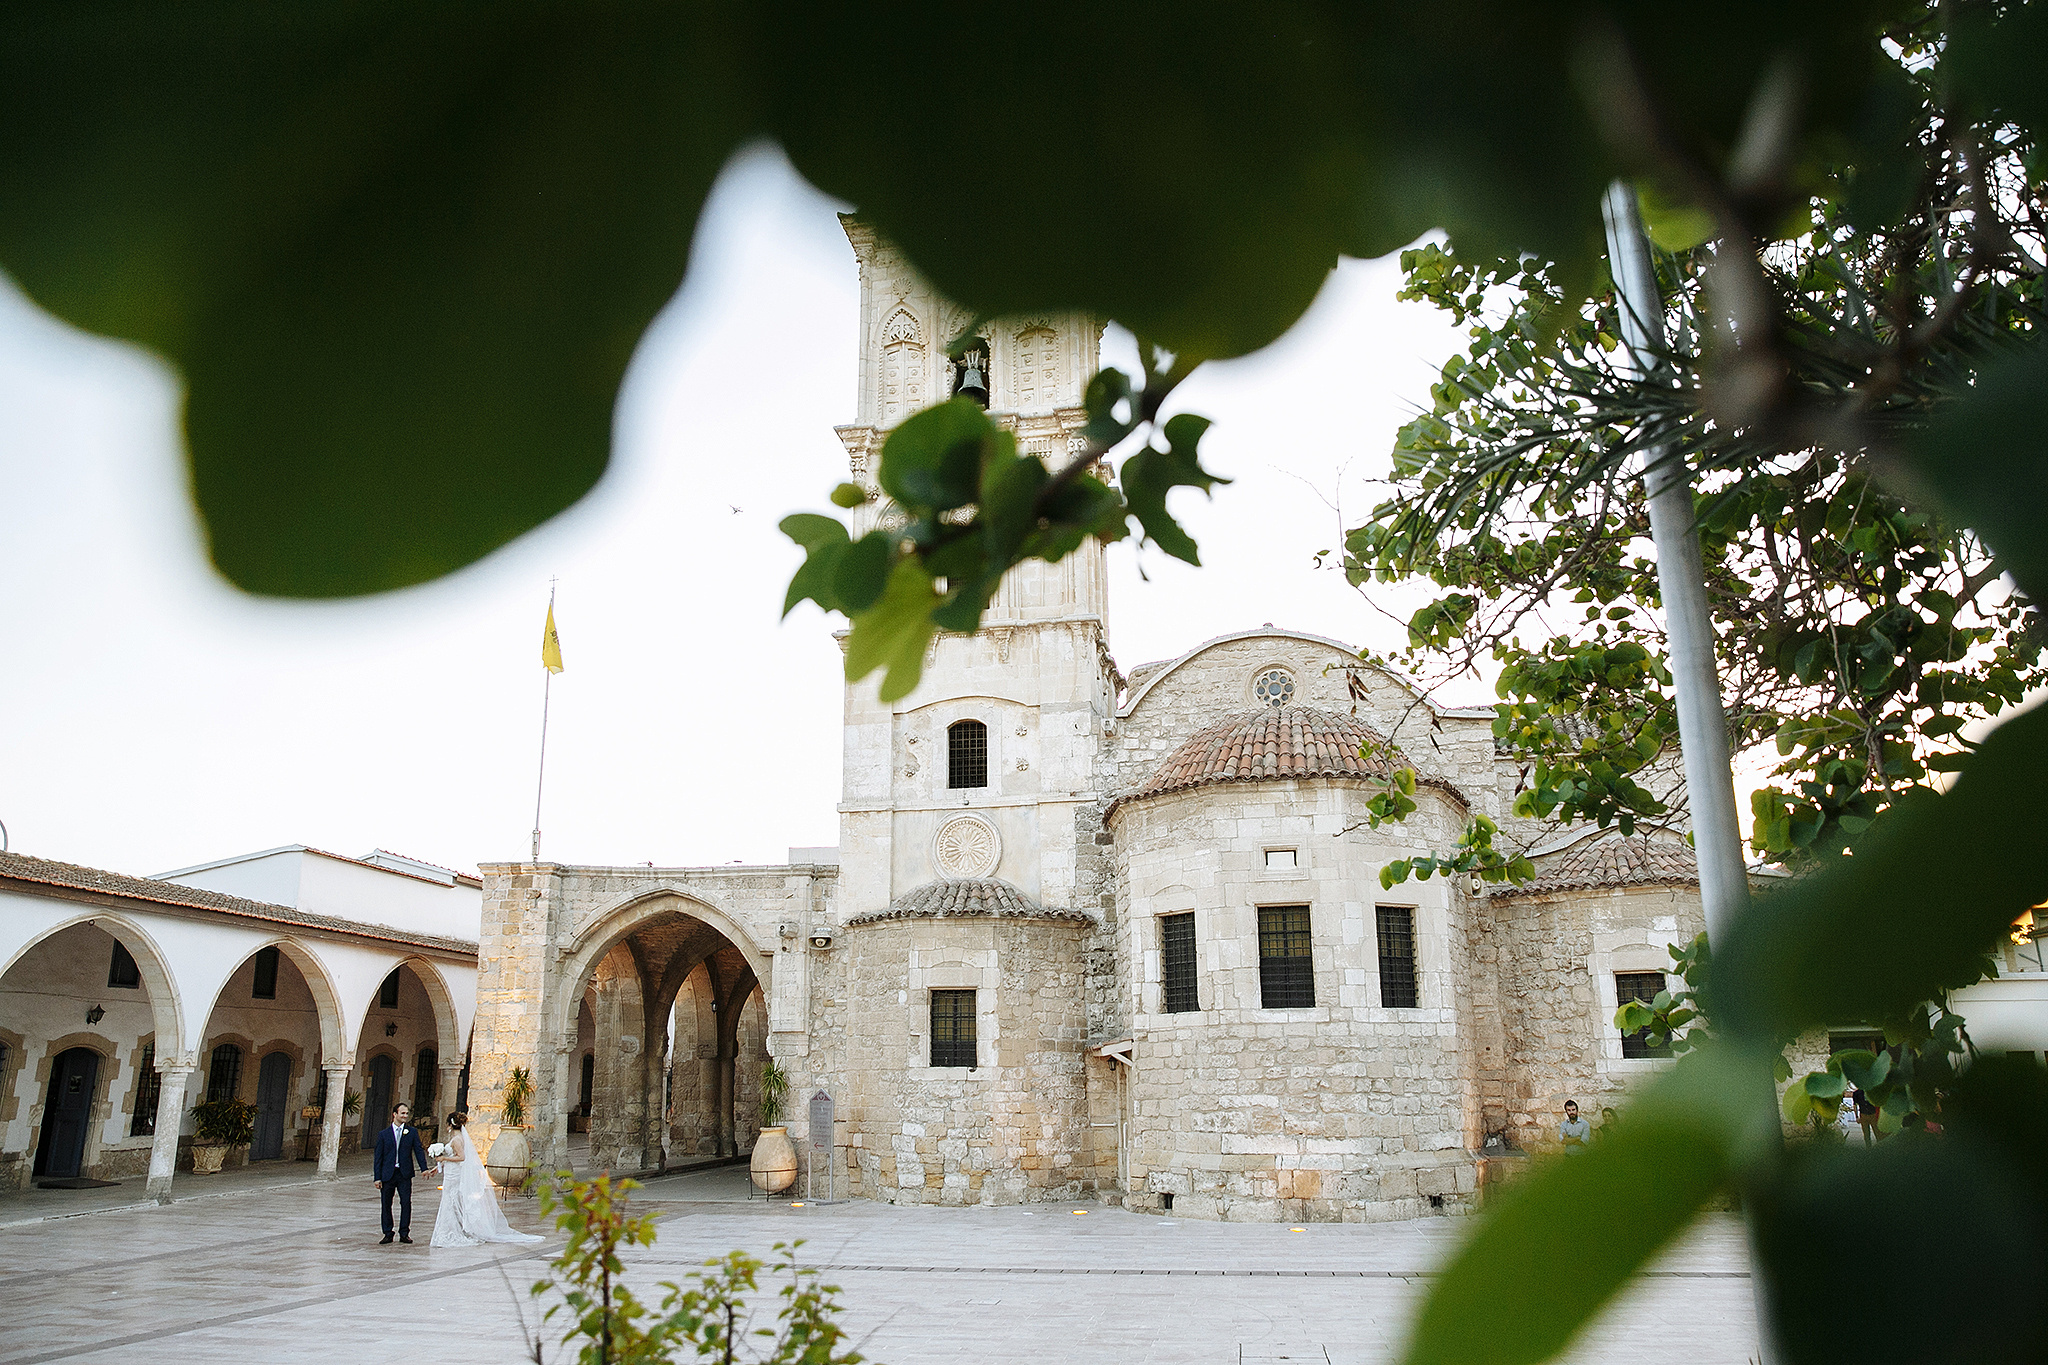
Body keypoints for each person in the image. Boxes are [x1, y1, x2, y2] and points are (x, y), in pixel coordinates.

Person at [429, 1110, 543, 1248]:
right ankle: (452, 1228)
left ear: (450, 1125)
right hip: (451, 1172)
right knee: (451, 1201)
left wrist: (444, 1158)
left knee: (451, 1200)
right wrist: (438, 1166)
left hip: (454, 1175)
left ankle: (454, 1230)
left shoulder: (457, 1140)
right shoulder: (457, 1138)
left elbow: (461, 1157)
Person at [372, 1102, 436, 1244]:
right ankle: (388, 1232)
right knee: (386, 1204)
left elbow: (418, 1150)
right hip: (388, 1174)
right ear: (395, 1114)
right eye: (402, 1113)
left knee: (406, 1203)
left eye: (407, 1113)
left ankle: (404, 1233)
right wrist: (377, 1177)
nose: (405, 1116)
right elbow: (378, 1158)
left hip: (404, 1173)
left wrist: (424, 1168)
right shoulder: (383, 1134)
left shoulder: (411, 1132)